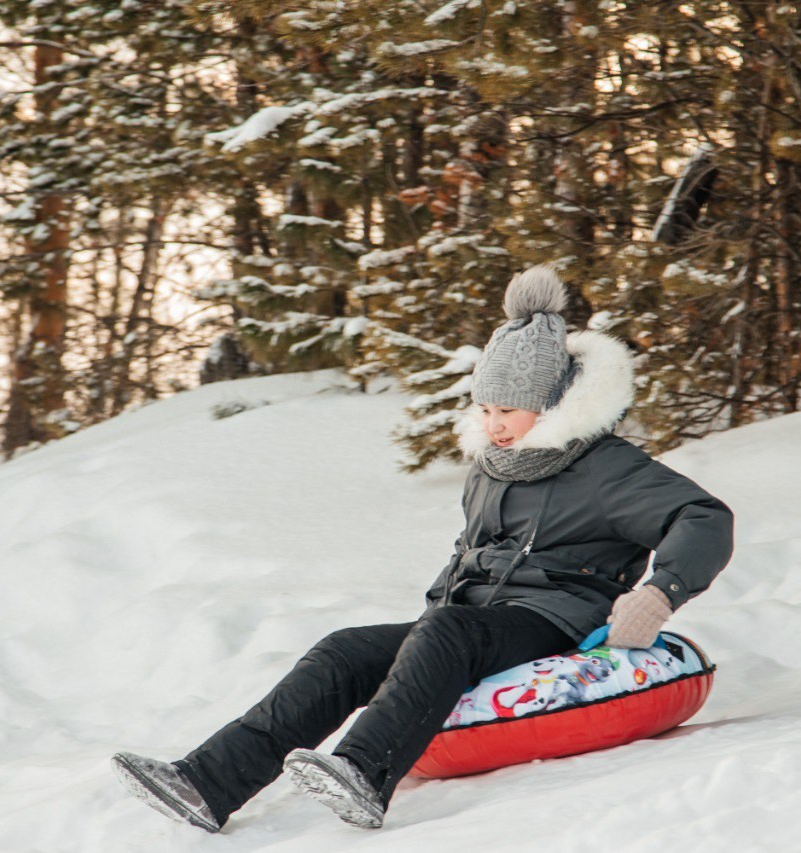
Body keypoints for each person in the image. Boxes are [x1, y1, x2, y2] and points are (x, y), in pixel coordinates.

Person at [112, 265, 734, 832]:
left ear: (552, 404)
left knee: (447, 632)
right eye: (486, 407)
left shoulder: (604, 466)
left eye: (509, 409)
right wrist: (437, 608)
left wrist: (660, 591)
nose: (494, 423)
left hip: (557, 620)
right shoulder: (494, 465)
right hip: (477, 620)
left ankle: (362, 774)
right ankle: (206, 782)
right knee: (345, 649)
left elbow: (703, 517)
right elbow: (472, 551)